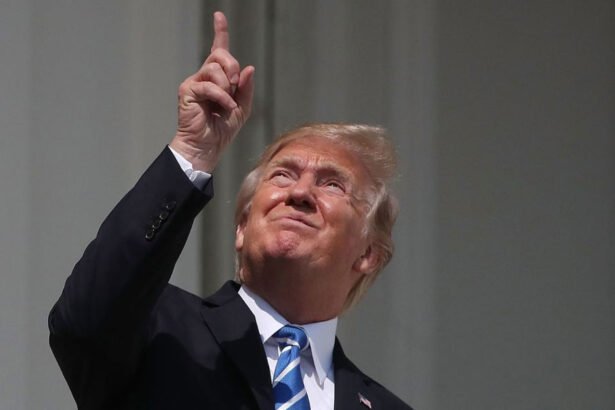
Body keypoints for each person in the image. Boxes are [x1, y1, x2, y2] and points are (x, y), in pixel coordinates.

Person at [49, 11, 412, 410]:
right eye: (282, 176)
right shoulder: (160, 329)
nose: (300, 192)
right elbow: (81, 323)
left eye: (331, 184)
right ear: (241, 227)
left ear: (368, 254)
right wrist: (193, 150)